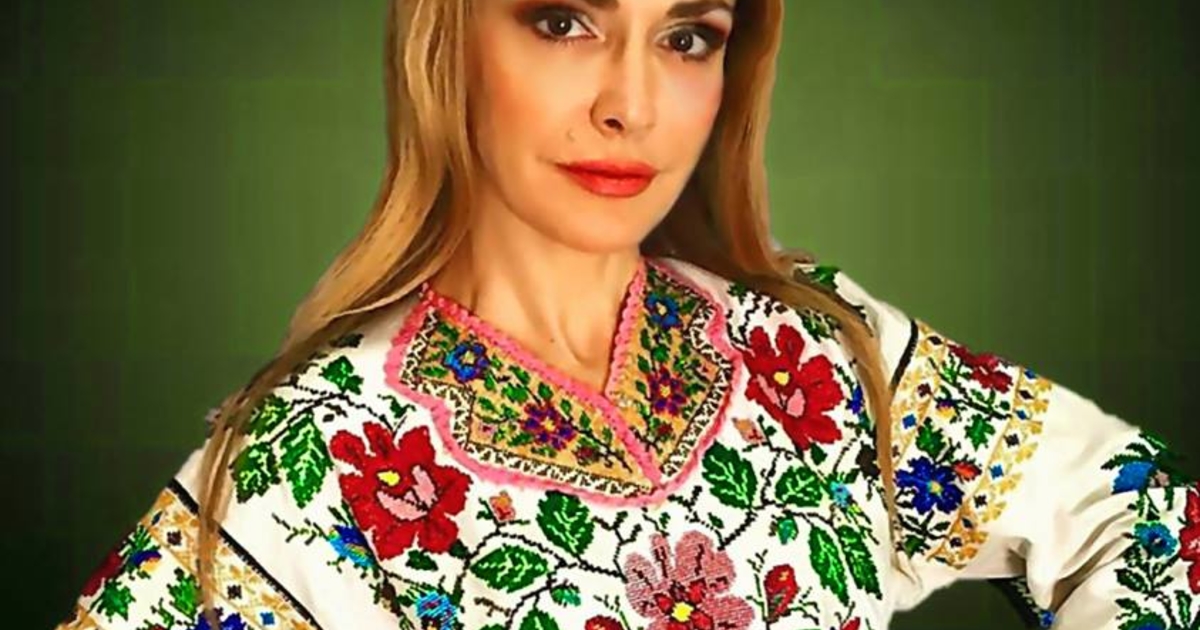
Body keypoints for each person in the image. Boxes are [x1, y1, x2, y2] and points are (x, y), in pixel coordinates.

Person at [56, 1, 1198, 629]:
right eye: (563, 21)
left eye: (687, 37)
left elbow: (1140, 515)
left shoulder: (809, 350)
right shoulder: (316, 457)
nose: (633, 105)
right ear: (445, 38)